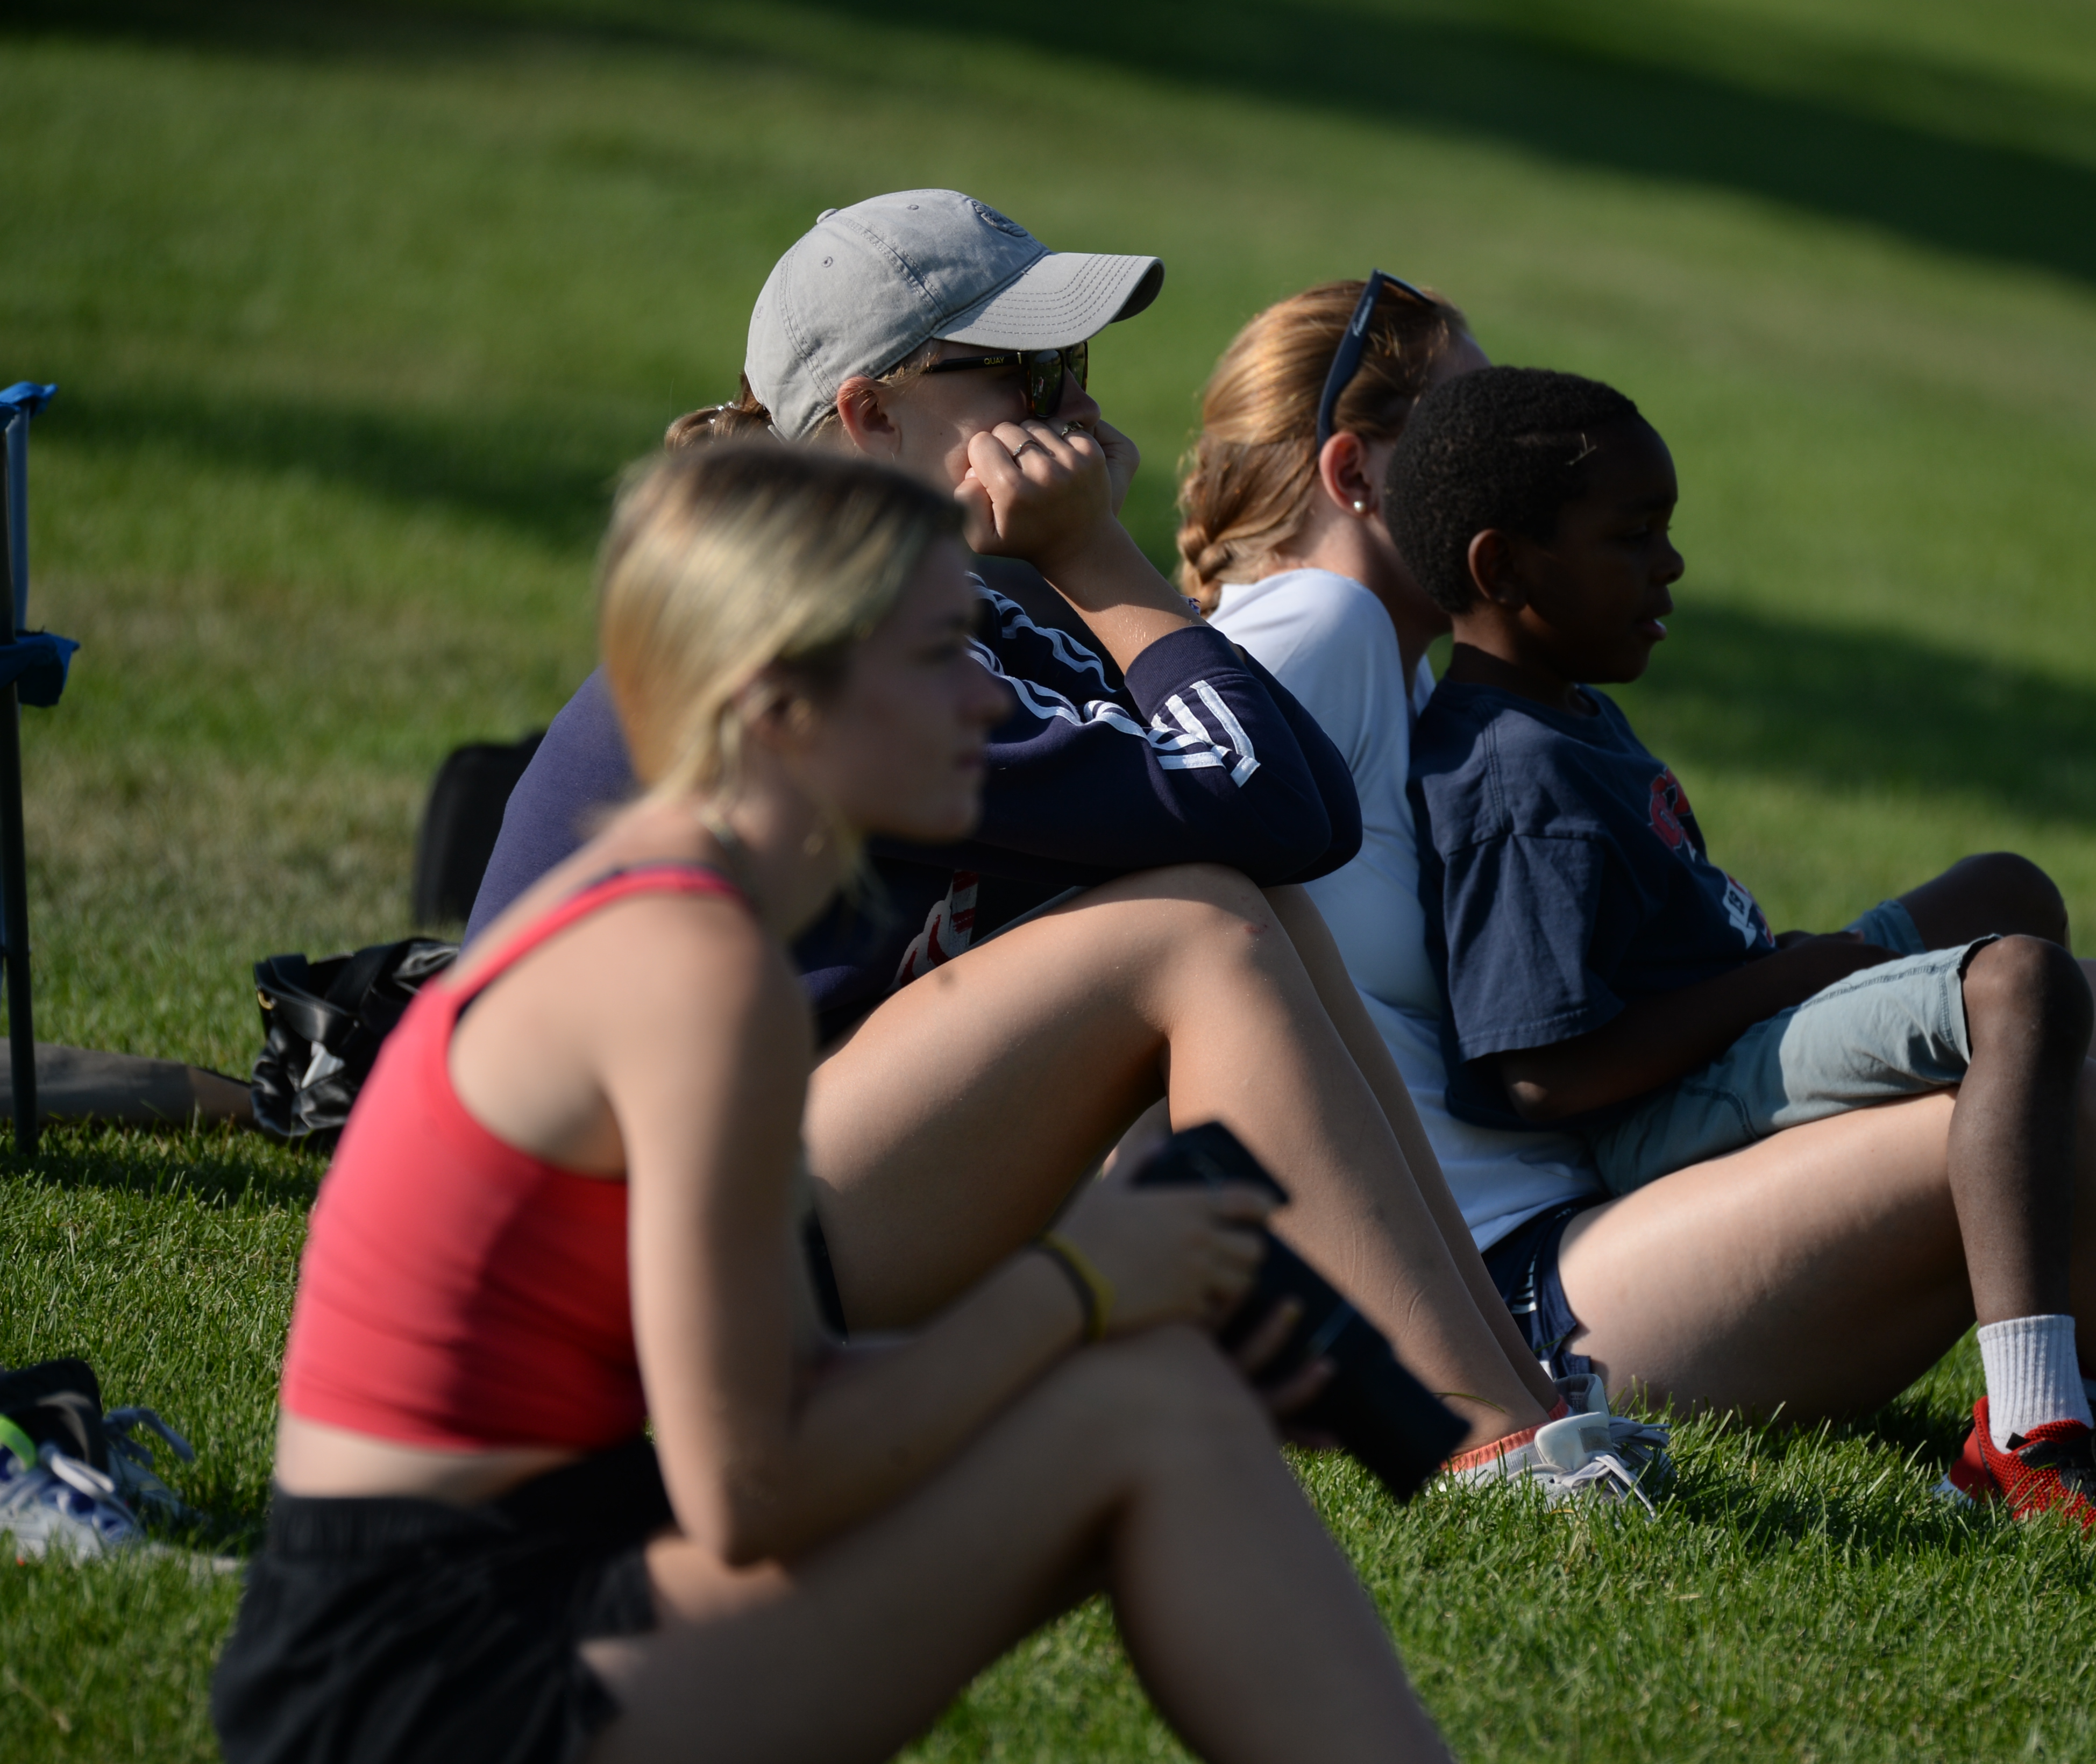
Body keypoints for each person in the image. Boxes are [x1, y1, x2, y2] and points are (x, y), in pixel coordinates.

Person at [1199, 337, 2096, 1592]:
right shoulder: (1330, 646)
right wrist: (1812, 970)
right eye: (1446, 406)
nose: (1669, 563)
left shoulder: (1459, 691)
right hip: (1544, 1299)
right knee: (2057, 1096)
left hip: (1626, 1213)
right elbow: (1504, 1052)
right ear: (1359, 474)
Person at [209, 446, 1458, 1763]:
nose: (986, 700)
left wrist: (1099, 1321)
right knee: (1151, 1409)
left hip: (478, 1591)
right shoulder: (695, 973)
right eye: (935, 659)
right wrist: (1077, 1284)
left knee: (1158, 1392)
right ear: (777, 705)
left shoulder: (674, 913)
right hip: (424, 1676)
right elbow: (753, 1486)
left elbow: (790, 1381)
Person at [468, 193, 1619, 1490]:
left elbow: (1297, 821)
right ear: (871, 414)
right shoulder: (820, 629)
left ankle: (1511, 1391)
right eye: (1023, 373)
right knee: (1188, 930)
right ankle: (1477, 1440)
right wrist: (1102, 557)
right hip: (622, 1257)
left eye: (1071, 362)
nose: (1074, 406)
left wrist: (1085, 568)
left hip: (766, 1188)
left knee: (1243, 904)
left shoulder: (952, 608)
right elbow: (1271, 808)